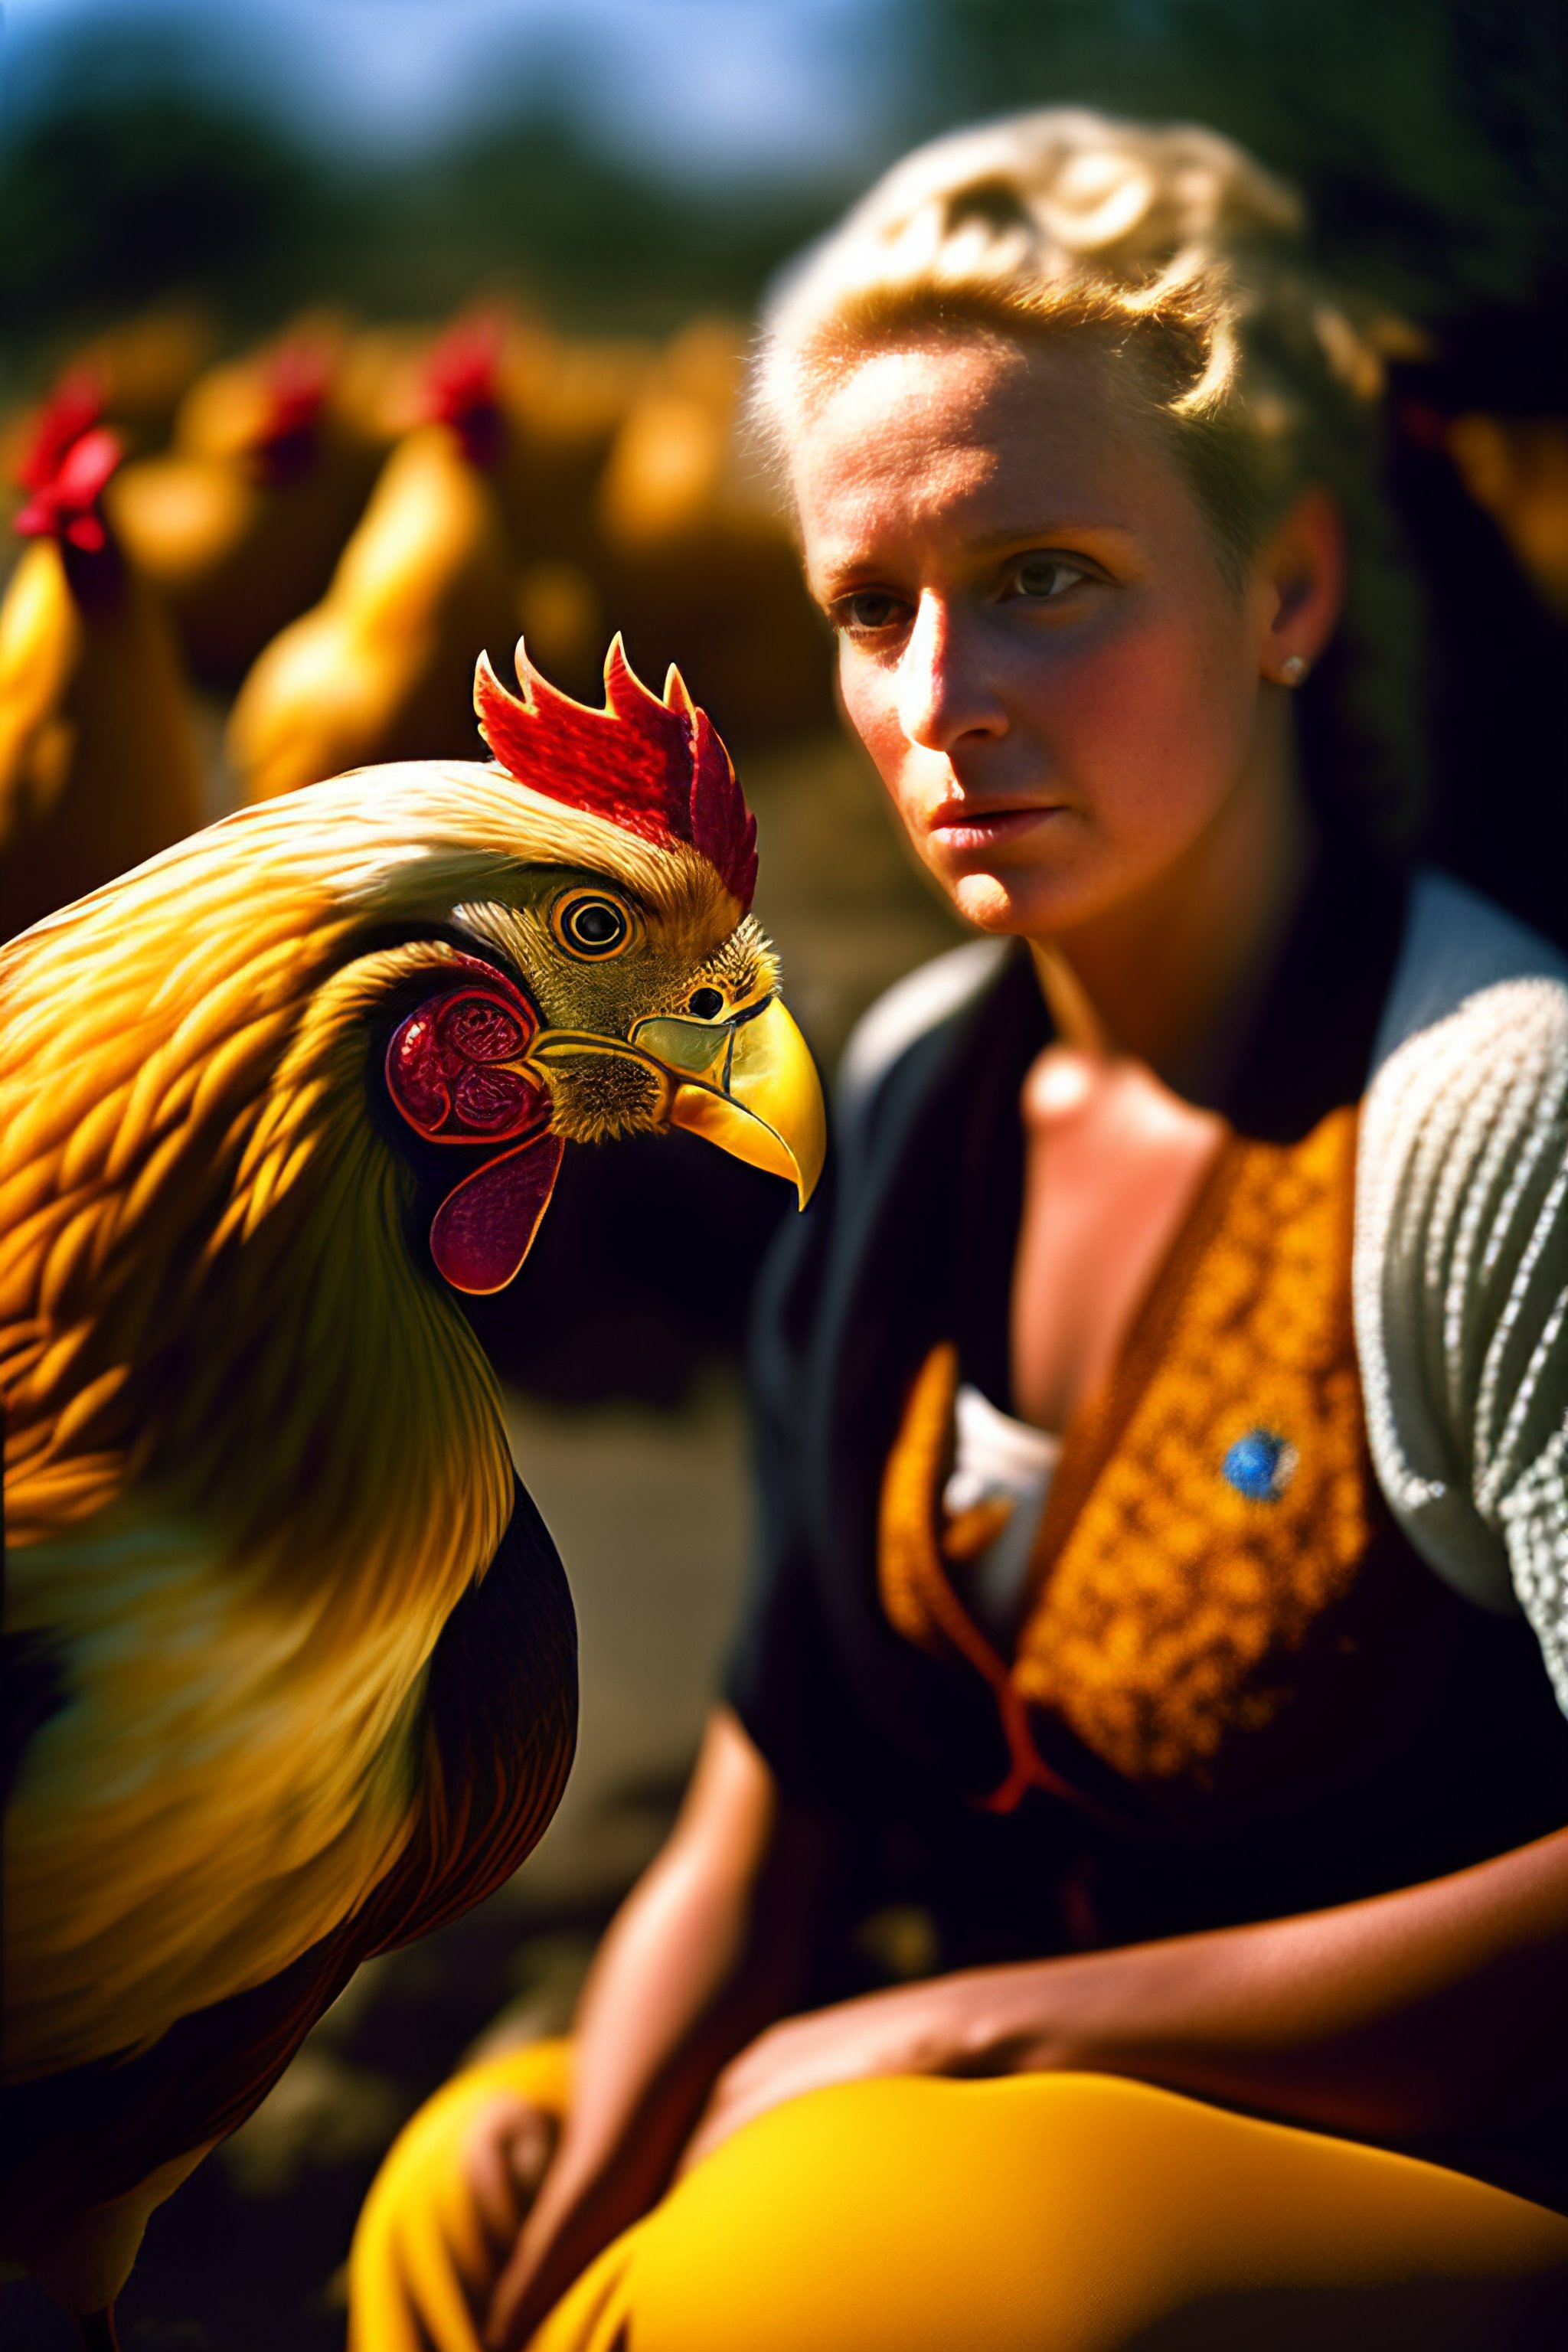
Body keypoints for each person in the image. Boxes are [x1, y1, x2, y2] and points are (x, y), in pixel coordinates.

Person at [349, 111, 1568, 2350]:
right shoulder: (904, 1079)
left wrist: (986, 2038)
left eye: (1045, 578)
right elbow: (767, 1800)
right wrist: (612, 2152)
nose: (939, 706)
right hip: (969, 2128)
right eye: (870, 609)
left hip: (1460, 2186)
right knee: (469, 2202)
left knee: (811, 2257)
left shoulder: (1500, 1105)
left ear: (1287, 588)